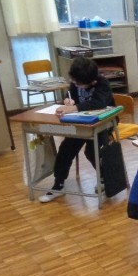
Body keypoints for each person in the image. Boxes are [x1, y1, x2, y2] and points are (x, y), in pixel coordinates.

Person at [39, 56, 115, 203]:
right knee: (66, 149)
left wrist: (73, 108)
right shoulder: (77, 81)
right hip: (80, 123)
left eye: (77, 83)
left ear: (91, 81)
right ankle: (58, 184)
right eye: (73, 82)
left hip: (104, 123)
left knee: (92, 151)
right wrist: (68, 101)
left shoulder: (102, 83)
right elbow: (71, 96)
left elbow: (98, 103)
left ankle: (105, 178)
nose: (74, 84)